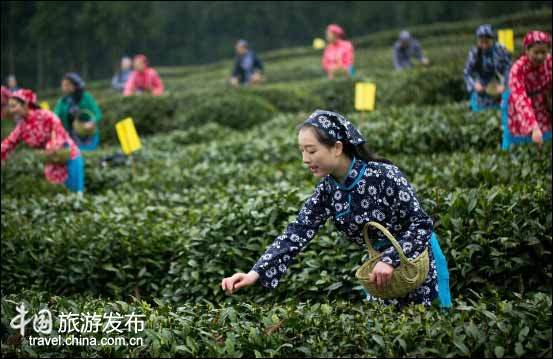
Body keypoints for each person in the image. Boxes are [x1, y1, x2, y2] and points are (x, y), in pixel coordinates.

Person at [221, 110, 451, 309]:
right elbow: (297, 233)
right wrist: (254, 274)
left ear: (337, 147)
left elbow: (421, 225)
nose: (305, 159)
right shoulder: (327, 190)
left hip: (418, 263)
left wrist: (391, 259)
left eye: (311, 150)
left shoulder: (383, 175)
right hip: (378, 271)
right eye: (301, 151)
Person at [1, 89, 85, 193]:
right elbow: (9, 143)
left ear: (25, 104)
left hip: (68, 156)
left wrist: (52, 145)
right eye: (10, 107)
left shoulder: (45, 115)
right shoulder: (22, 127)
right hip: (51, 162)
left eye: (14, 106)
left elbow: (58, 130)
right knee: (59, 195)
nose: (11, 110)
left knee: (75, 194)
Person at [507, 31, 552, 146]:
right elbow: (520, 100)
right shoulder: (518, 69)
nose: (540, 56)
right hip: (522, 111)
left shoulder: (549, 62)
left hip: (542, 106)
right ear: (527, 50)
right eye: (536, 52)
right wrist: (533, 127)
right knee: (525, 144)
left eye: (543, 52)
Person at [464, 25, 512, 112]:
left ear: (492, 39)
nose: (484, 44)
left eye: (487, 40)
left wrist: (505, 85)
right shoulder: (474, 53)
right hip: (481, 89)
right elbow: (467, 73)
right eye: (481, 40)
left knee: (503, 112)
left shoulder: (500, 50)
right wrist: (474, 85)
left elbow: (508, 68)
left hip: (499, 87)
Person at [54, 73, 102, 151]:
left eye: (67, 85)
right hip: (70, 135)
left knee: (85, 152)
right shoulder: (63, 101)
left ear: (75, 85)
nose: (64, 88)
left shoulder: (86, 97)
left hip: (87, 134)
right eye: (63, 85)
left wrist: (92, 122)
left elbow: (97, 113)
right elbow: (55, 116)